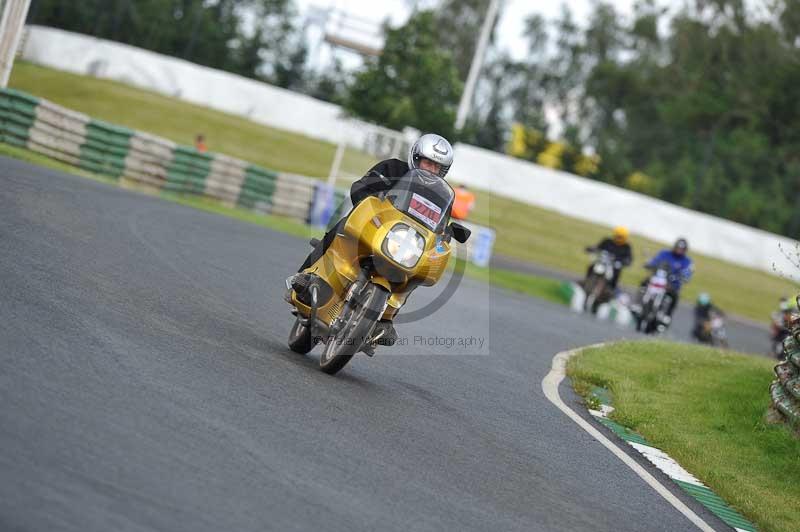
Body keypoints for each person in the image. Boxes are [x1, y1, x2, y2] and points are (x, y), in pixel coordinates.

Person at [286, 133, 455, 344]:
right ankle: (304, 277)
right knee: (341, 228)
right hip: (375, 227)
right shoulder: (393, 169)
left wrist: (446, 236)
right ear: (416, 157)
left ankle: (386, 319)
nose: (430, 169)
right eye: (427, 162)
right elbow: (362, 185)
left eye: (436, 167)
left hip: (406, 243)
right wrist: (369, 194)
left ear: (443, 171)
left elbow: (441, 225)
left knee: (415, 275)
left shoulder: (439, 195)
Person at [639, 237, 693, 322]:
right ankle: (639, 304)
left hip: (672, 284)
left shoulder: (687, 261)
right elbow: (655, 261)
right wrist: (649, 264)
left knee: (674, 296)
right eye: (678, 248)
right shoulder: (664, 253)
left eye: (681, 249)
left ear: (685, 250)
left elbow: (687, 272)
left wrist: (683, 277)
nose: (679, 250)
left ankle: (667, 315)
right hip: (658, 279)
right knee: (644, 283)